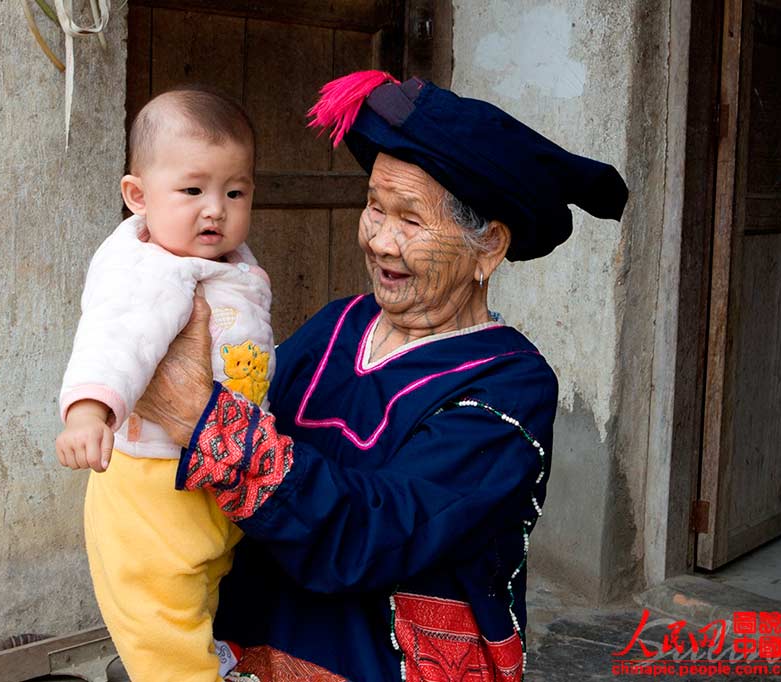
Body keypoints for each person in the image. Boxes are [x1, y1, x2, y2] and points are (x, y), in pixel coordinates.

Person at [134, 71, 628, 682]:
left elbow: (376, 531)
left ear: (489, 247)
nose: (381, 241)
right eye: (374, 206)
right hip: (243, 644)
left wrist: (202, 420)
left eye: (412, 221)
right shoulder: (337, 324)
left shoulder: (510, 388)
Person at [55, 87, 274, 681]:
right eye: (192, 190)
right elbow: (115, 339)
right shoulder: (145, 269)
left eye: (235, 192)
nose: (215, 209)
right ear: (137, 196)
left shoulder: (228, 262)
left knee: (202, 586)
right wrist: (89, 411)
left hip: (209, 474)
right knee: (162, 612)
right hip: (151, 485)